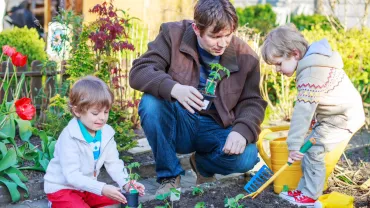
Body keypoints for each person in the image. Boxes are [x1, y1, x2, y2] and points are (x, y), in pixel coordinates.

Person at [129, 0, 267, 195]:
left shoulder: (246, 56)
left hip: (216, 127)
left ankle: (203, 166)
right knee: (150, 104)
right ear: (196, 28)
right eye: (215, 36)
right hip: (180, 123)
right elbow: (140, 71)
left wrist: (242, 131)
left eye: (228, 35)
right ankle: (169, 176)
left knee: (247, 157)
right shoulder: (172, 35)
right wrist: (174, 89)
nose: (222, 43)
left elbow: (252, 101)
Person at [261, 24, 365, 206]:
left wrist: (293, 145)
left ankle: (310, 196)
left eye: (278, 64)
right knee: (309, 148)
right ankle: (304, 190)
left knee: (313, 151)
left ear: (294, 53)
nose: (277, 70)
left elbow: (303, 111)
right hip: (335, 116)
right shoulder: (314, 63)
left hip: (342, 119)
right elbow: (322, 99)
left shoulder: (311, 72)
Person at [44, 76, 145, 207]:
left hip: (86, 188)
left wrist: (126, 184)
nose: (102, 118)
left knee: (120, 198)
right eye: (95, 113)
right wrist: (102, 188)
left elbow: (114, 163)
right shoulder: (69, 136)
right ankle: (54, 203)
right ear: (77, 111)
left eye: (106, 112)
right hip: (62, 189)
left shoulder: (106, 133)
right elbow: (72, 176)